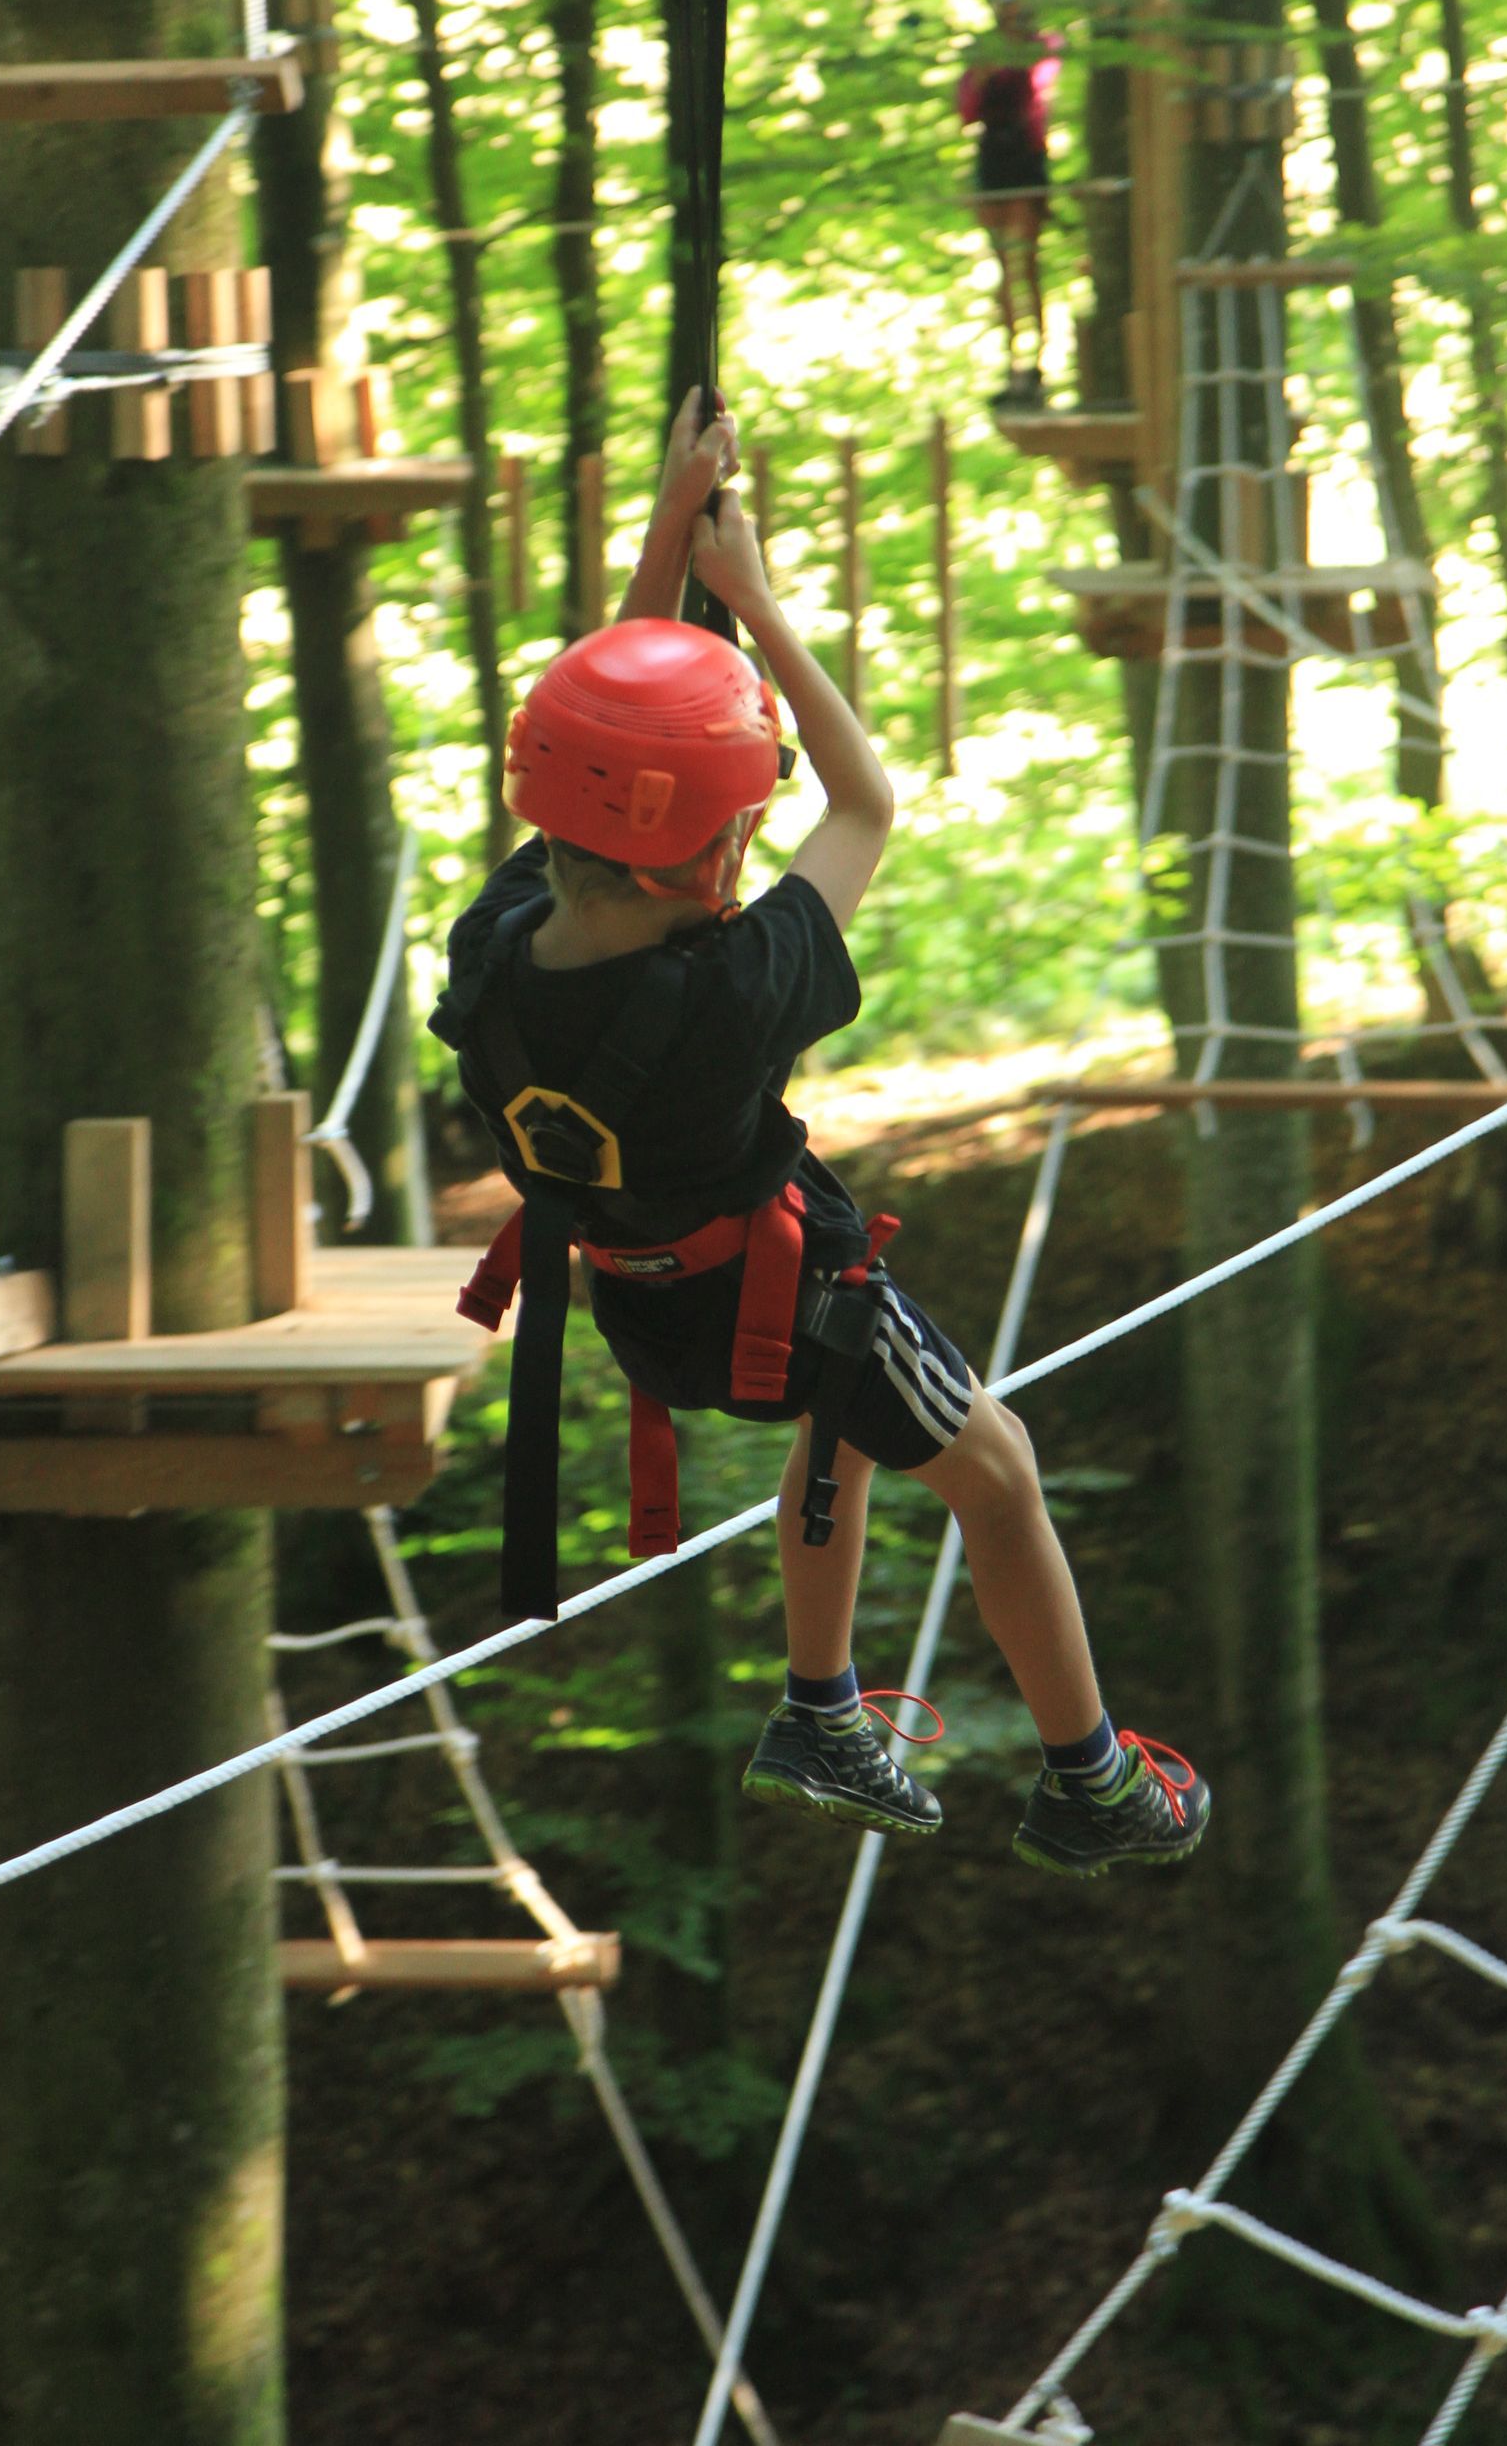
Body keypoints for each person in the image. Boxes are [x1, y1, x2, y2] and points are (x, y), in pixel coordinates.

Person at [432, 395, 1209, 1880]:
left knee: (835, 1430)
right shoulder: (733, 987)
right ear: (722, 846)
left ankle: (823, 1706)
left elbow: (616, 719)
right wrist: (756, 602)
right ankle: (1094, 1778)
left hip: (649, 1306)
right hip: (792, 1297)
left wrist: (672, 532)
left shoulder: (497, 951)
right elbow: (866, 797)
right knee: (1001, 1474)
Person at [956, 0, 1061, 406]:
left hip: (1025, 155)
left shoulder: (1040, 43)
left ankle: (1037, 362)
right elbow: (965, 109)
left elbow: (1043, 87)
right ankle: (1011, 362)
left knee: (1028, 263)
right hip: (993, 157)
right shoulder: (981, 50)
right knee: (1003, 266)